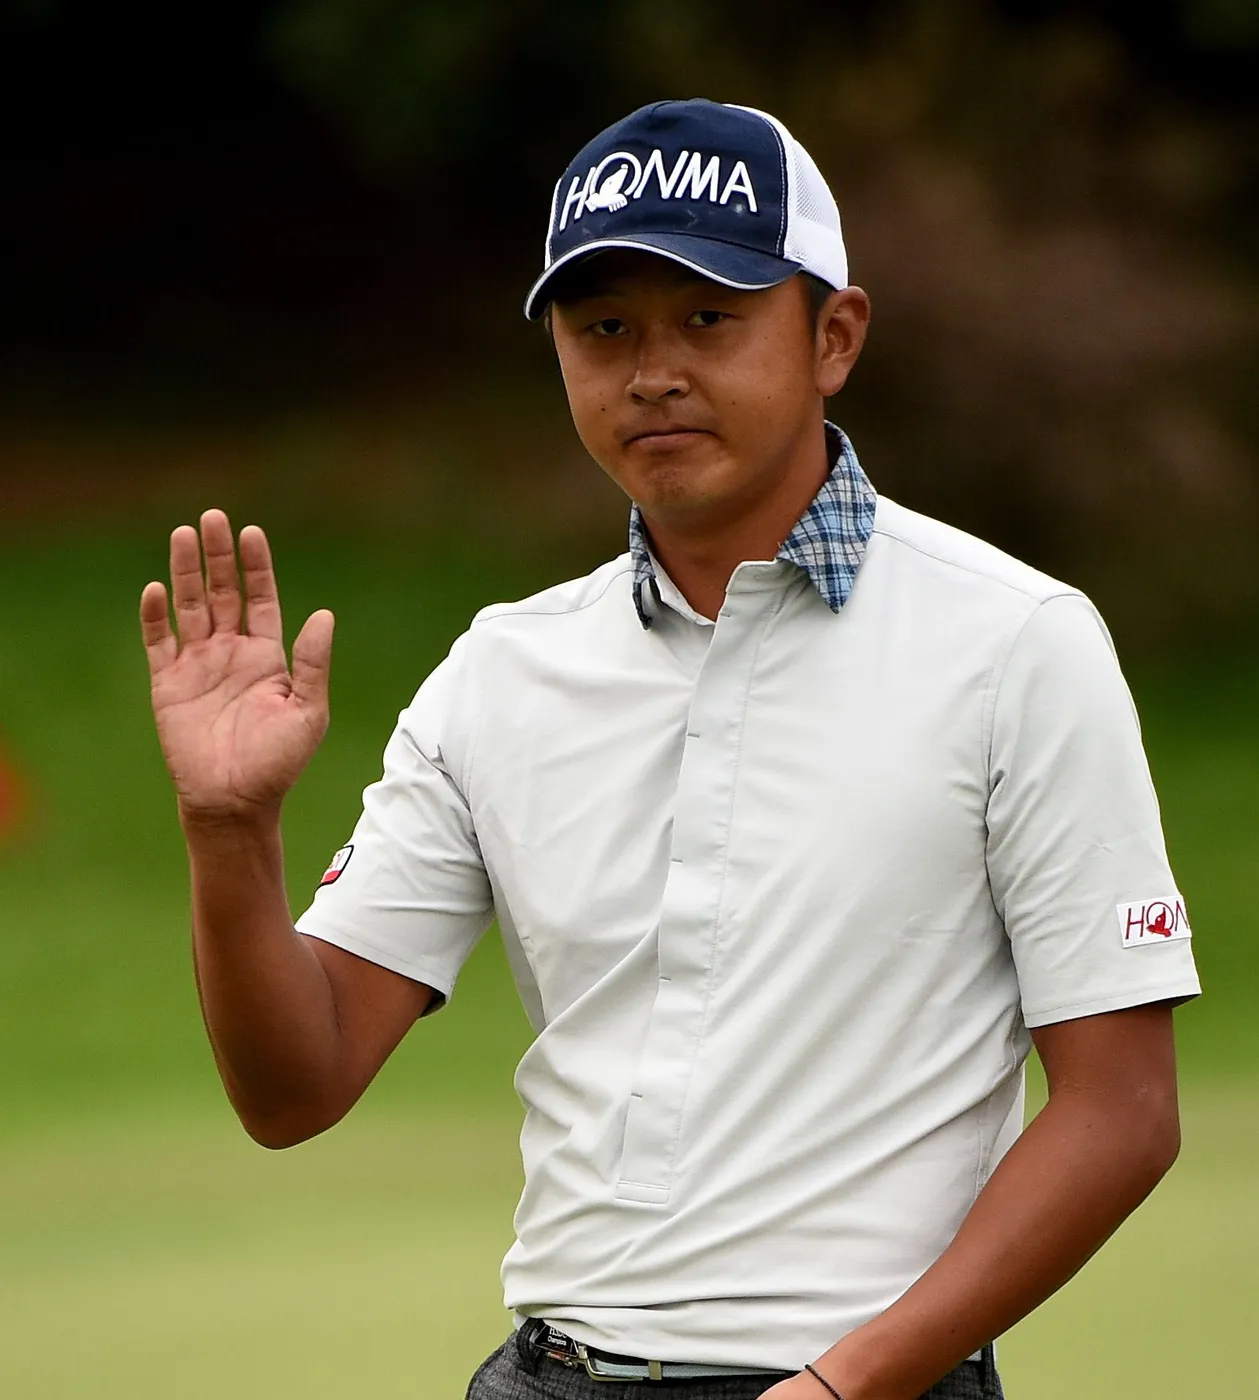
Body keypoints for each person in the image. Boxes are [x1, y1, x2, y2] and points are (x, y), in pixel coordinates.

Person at [140, 99, 1202, 1400]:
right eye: (604, 330)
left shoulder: (1016, 641)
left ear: (834, 336)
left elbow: (1121, 1111)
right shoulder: (501, 671)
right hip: (552, 1372)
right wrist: (229, 831)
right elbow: (292, 1090)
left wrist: (849, 1383)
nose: (651, 371)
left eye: (708, 318)